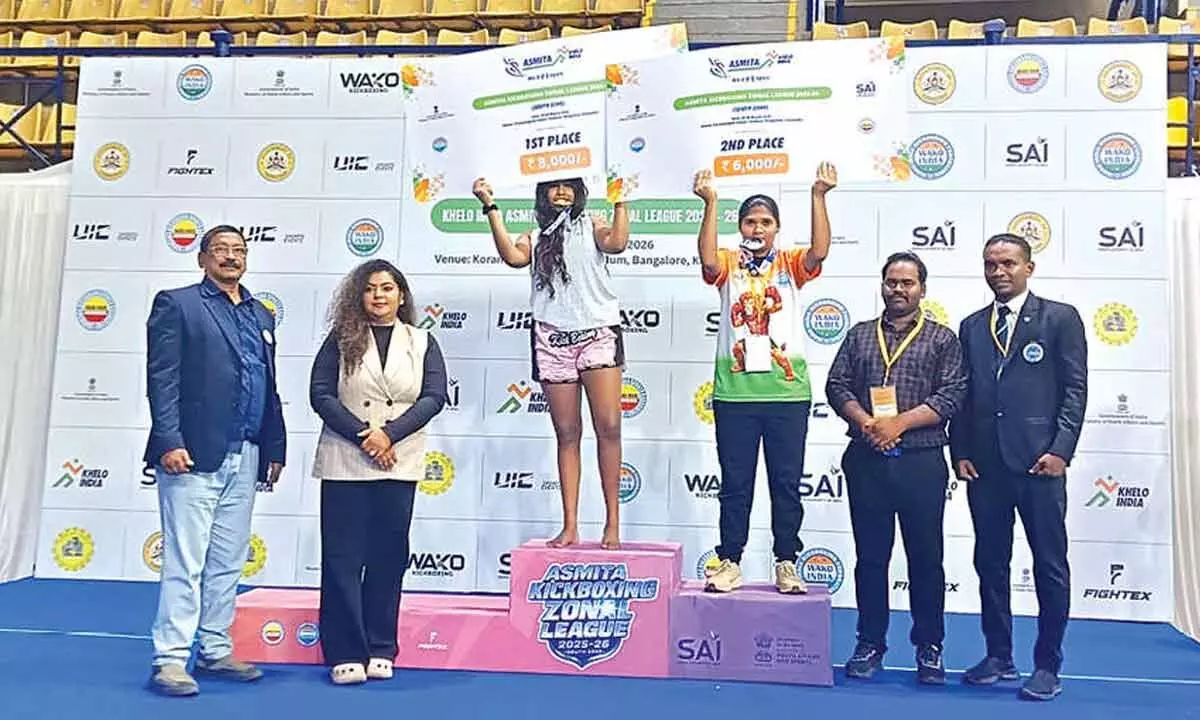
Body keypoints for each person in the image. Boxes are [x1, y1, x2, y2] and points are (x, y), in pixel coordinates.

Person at [143, 225, 286, 697]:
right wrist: (169, 439)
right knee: (185, 560)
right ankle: (170, 659)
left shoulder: (260, 312)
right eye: (220, 250)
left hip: (247, 452)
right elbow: (162, 378)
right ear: (202, 258)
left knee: (227, 560)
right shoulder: (178, 304)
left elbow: (267, 383)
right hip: (192, 452)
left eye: (238, 250)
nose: (231, 257)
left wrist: (275, 445)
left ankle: (215, 648)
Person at [950, 233, 1087, 701]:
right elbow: (963, 394)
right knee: (990, 562)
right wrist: (960, 451)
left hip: (1039, 463)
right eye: (991, 264)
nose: (999, 272)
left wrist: (1062, 450)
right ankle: (998, 655)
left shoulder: (1059, 318)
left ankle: (1048, 665)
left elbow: (1075, 390)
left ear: (1029, 268)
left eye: (1008, 263)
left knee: (1049, 564)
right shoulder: (972, 326)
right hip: (985, 466)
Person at [692, 162, 837, 594]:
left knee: (785, 485)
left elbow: (819, 252)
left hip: (786, 395)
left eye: (766, 222)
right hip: (735, 394)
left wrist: (818, 195)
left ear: (776, 228)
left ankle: (786, 562)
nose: (758, 228)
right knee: (735, 486)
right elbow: (706, 258)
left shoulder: (790, 263)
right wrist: (711, 202)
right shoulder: (728, 262)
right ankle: (730, 561)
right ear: (740, 227)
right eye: (751, 221)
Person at [825, 251, 967, 684]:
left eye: (908, 283)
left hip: (921, 460)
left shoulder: (942, 339)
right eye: (892, 282)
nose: (899, 289)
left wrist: (898, 424)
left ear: (922, 289)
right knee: (871, 558)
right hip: (867, 459)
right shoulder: (860, 335)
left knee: (926, 559)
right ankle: (869, 643)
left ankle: (929, 647)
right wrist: (868, 422)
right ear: (882, 285)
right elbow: (837, 385)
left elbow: (952, 395)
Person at [309, 259, 448, 685]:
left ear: (401, 295)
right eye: (370, 288)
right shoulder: (341, 338)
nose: (379, 295)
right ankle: (345, 650)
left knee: (389, 556)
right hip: (346, 458)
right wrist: (364, 436)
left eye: (387, 288)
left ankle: (381, 646)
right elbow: (321, 394)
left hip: (398, 459)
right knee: (342, 558)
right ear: (359, 296)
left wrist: (388, 436)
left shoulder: (422, 341)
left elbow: (433, 396)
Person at [472, 176, 630, 549]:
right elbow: (513, 257)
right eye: (553, 186)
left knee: (609, 427)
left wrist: (621, 201)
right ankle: (570, 525)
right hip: (552, 339)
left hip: (597, 333)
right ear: (542, 194)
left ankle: (612, 524)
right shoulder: (535, 235)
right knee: (567, 432)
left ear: (580, 192)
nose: (561, 192)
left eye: (568, 186)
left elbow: (617, 243)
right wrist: (490, 206)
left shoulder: (592, 224)